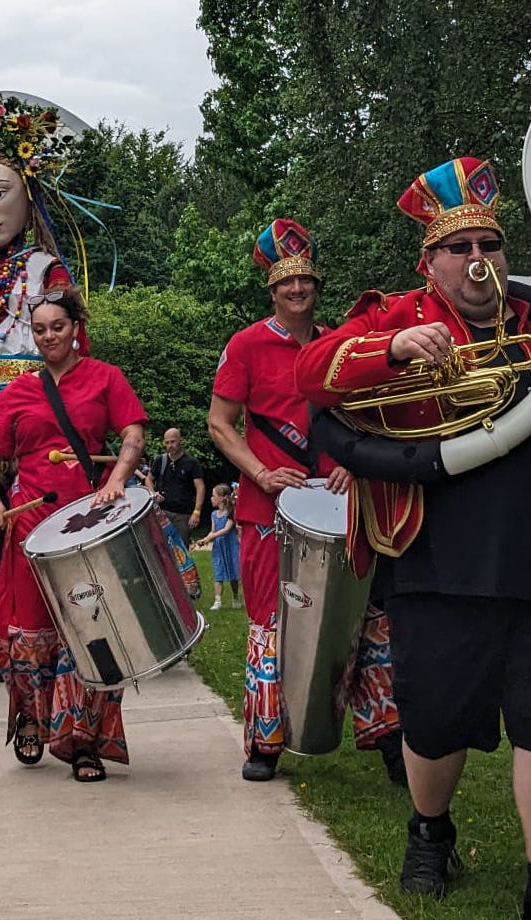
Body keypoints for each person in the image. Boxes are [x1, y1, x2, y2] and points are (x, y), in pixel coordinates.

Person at [294, 157, 531, 920]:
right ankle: (430, 830)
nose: (477, 262)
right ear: (428, 262)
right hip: (434, 550)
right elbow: (310, 377)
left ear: (506, 254)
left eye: (490, 246)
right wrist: (392, 347)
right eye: (458, 248)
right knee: (435, 716)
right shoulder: (392, 317)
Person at [208, 218, 405, 784]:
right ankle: (266, 740)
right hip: (266, 507)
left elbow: (366, 415)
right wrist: (261, 472)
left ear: (316, 286)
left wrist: (351, 461)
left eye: (306, 282)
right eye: (285, 284)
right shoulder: (245, 344)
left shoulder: (338, 341)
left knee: (365, 617)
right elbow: (221, 425)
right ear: (271, 289)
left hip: (342, 503)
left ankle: (387, 734)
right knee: (272, 619)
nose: (297, 291)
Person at [0, 286, 147, 782]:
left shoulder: (105, 378)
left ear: (76, 329)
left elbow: (133, 432)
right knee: (28, 633)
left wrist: (116, 479)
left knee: (93, 636)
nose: (49, 336)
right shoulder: (18, 391)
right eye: (41, 329)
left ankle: (83, 741)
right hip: (30, 526)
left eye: (58, 326)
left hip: (90, 527)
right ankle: (31, 714)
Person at [0, 88, 89, 637]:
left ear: (26, 194)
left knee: (51, 500)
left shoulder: (44, 267)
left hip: (39, 399)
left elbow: (73, 342)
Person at [145, 427, 205, 543]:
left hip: (182, 514)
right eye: (167, 442)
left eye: (173, 441)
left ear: (180, 441)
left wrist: (196, 512)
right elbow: (149, 479)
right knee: (161, 547)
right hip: (162, 511)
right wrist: (153, 493)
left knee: (181, 550)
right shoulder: (160, 460)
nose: (170, 445)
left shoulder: (191, 463)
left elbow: (200, 487)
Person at [194, 483, 242, 610]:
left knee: (232, 573)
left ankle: (236, 596)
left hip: (230, 546)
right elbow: (213, 530)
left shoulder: (231, 513)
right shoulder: (214, 514)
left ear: (221, 498)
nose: (211, 498)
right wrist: (206, 539)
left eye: (213, 496)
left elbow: (226, 529)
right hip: (219, 548)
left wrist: (211, 536)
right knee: (218, 571)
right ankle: (218, 600)